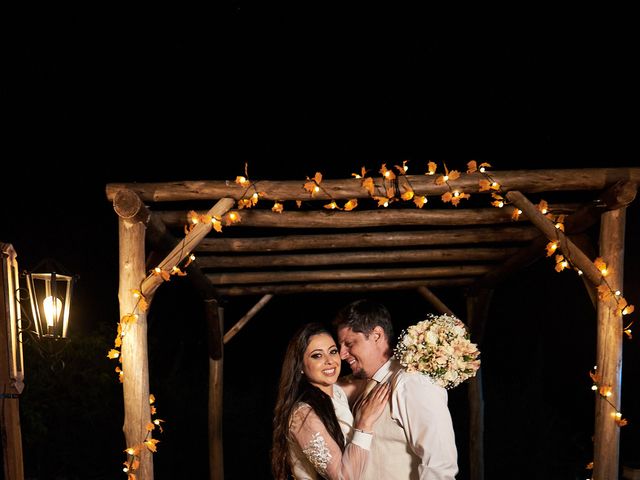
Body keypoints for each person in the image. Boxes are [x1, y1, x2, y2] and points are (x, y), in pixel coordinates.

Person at [334, 299, 459, 480]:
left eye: (349, 344)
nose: (342, 354)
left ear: (376, 335)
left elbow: (439, 465)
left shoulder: (412, 382)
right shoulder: (370, 382)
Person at [272, 322, 390, 480]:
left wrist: (422, 352)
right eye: (317, 355)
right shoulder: (303, 415)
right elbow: (342, 477)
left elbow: (379, 371)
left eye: (333, 351)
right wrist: (364, 424)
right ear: (300, 365)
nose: (329, 361)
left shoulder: (337, 391)